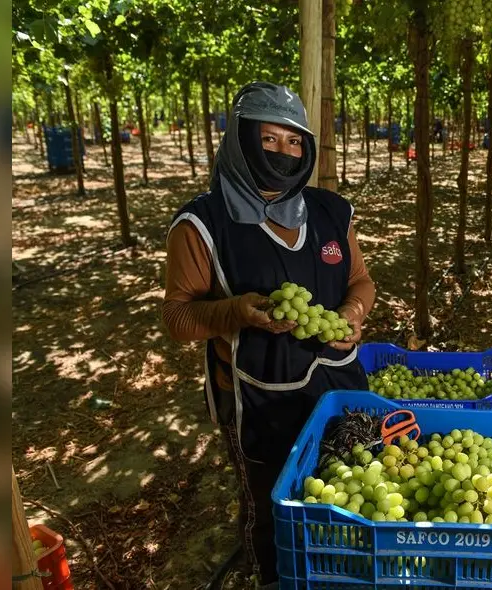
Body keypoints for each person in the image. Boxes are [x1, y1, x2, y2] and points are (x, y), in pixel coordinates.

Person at [162, 81, 375, 588]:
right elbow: (177, 319)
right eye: (269, 138)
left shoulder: (330, 212)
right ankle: (274, 578)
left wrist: (353, 312)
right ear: (239, 140)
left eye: (295, 141)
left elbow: (361, 282)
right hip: (259, 400)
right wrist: (234, 311)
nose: (283, 151)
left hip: (341, 390)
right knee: (273, 507)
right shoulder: (202, 225)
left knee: (348, 493)